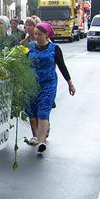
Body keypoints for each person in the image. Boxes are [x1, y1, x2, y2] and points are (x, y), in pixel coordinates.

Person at [24, 23, 76, 152]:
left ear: (47, 34)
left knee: (43, 111)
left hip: (48, 83)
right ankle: (35, 136)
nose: (36, 36)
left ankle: (42, 142)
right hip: (31, 83)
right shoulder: (29, 47)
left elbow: (62, 66)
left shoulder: (54, 48)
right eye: (35, 34)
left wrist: (70, 83)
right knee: (32, 110)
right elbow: (23, 65)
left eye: (39, 34)